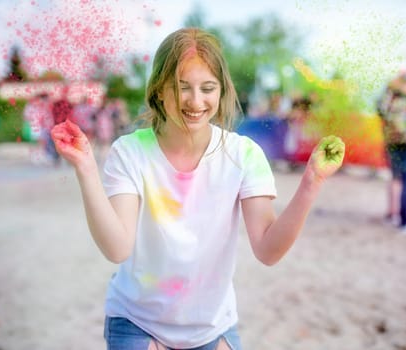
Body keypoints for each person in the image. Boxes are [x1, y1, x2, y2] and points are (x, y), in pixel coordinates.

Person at [51, 28, 345, 350]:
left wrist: (311, 182)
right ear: (159, 90)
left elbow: (268, 250)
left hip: (212, 327)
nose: (195, 101)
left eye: (208, 88)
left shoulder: (243, 155)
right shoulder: (130, 152)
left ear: (221, 91)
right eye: (181, 88)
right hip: (137, 320)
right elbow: (117, 248)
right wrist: (86, 168)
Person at [378, 73, 406, 235]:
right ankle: (405, 221)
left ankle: (392, 214)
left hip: (391, 144)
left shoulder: (389, 98)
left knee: (396, 179)